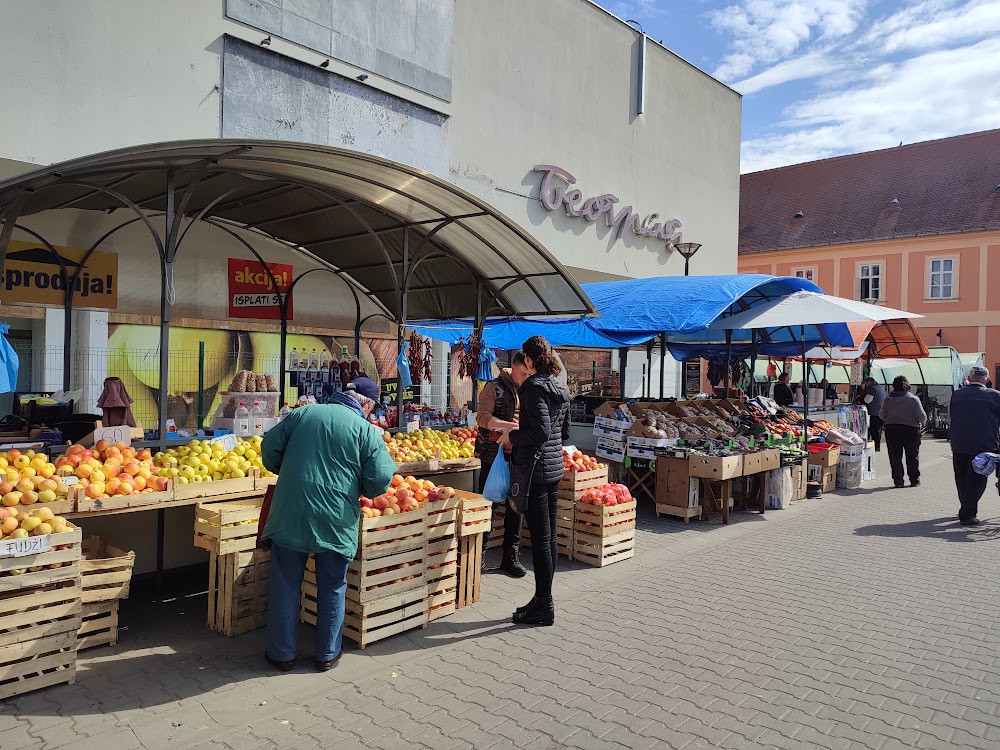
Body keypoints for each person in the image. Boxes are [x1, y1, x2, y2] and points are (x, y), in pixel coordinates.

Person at [260, 377, 396, 672]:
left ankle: (281, 655)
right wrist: (360, 487)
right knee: (333, 585)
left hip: (291, 512)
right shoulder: (366, 431)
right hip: (336, 518)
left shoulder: (303, 413)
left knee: (285, 584)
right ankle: (327, 654)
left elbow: (269, 447)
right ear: (368, 404)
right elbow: (381, 478)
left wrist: (289, 468)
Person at [500, 336, 569, 627]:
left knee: (542, 540)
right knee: (548, 538)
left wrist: (512, 437)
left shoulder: (532, 387)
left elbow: (539, 432)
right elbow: (562, 432)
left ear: (529, 359)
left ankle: (545, 605)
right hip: (553, 469)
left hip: (537, 472)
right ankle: (543, 598)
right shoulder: (560, 386)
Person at [475, 352, 530, 577]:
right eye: (523, 372)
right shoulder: (494, 387)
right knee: (489, 506)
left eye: (529, 373)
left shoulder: (529, 388)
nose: (526, 377)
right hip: (494, 457)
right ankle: (479, 557)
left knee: (515, 508)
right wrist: (509, 426)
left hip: (519, 456)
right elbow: (482, 417)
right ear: (513, 368)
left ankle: (511, 556)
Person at [948, 365, 1000, 526]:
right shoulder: (995, 396)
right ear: (987, 379)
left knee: (961, 477)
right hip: (985, 445)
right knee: (977, 480)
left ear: (969, 378)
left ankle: (965, 506)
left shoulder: (956, 395)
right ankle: (967, 514)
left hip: (959, 443)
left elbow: (951, 418)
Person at [879, 376, 926, 488]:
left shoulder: (887, 399)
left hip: (892, 429)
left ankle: (898, 481)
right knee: (912, 456)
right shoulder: (913, 399)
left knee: (895, 457)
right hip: (911, 430)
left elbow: (882, 415)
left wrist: (891, 418)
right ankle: (914, 480)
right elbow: (922, 417)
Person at [863, 377, 887, 451]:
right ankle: (877, 445)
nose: (865, 385)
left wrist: (860, 399)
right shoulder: (881, 388)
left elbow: (867, 400)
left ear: (869, 382)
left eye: (866, 383)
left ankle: (875, 446)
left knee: (874, 430)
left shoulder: (872, 389)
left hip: (874, 412)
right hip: (881, 412)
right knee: (878, 430)